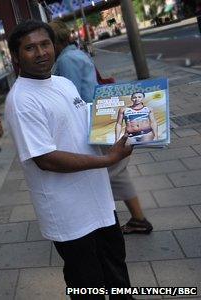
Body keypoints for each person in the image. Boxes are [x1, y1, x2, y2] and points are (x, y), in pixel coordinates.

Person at [5, 20, 134, 297]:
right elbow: (47, 159)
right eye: (30, 48)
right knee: (87, 282)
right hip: (68, 212)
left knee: (116, 269)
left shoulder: (63, 83)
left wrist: (135, 123)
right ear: (16, 57)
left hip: (99, 200)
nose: (40, 53)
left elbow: (86, 123)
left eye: (45, 44)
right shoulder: (22, 100)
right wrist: (109, 160)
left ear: (54, 45)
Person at [50, 20, 153, 235]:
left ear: (54, 41)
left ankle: (137, 219)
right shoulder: (76, 54)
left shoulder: (67, 60)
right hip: (99, 116)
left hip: (95, 120)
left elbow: (70, 96)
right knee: (115, 168)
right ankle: (132, 217)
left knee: (114, 170)